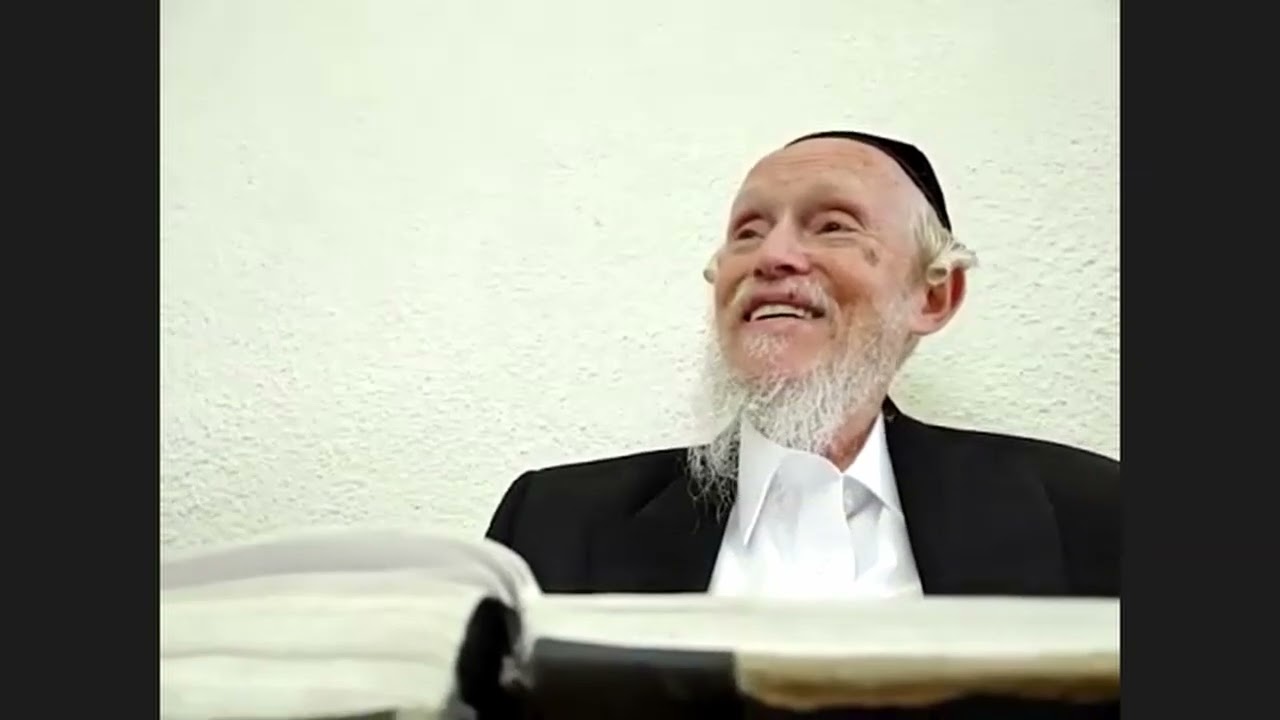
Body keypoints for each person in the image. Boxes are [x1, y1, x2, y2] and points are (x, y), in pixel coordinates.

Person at [484, 130, 1120, 600]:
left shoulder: (1090, 512)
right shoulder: (554, 522)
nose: (773, 256)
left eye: (834, 226)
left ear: (932, 297)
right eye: (748, 231)